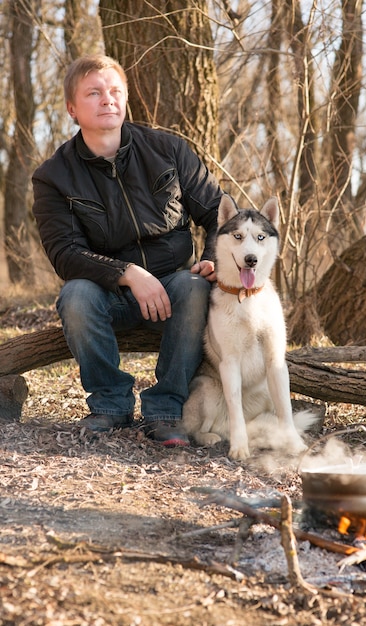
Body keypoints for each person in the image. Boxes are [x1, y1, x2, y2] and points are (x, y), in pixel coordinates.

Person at [32, 54, 223, 447]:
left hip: (174, 288)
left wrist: (213, 260)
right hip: (108, 296)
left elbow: (221, 213)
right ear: (72, 108)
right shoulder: (53, 176)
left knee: (194, 287)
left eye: (115, 91)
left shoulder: (168, 150)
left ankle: (166, 410)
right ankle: (110, 405)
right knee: (75, 295)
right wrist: (129, 274)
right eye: (94, 93)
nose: (108, 100)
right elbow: (64, 253)